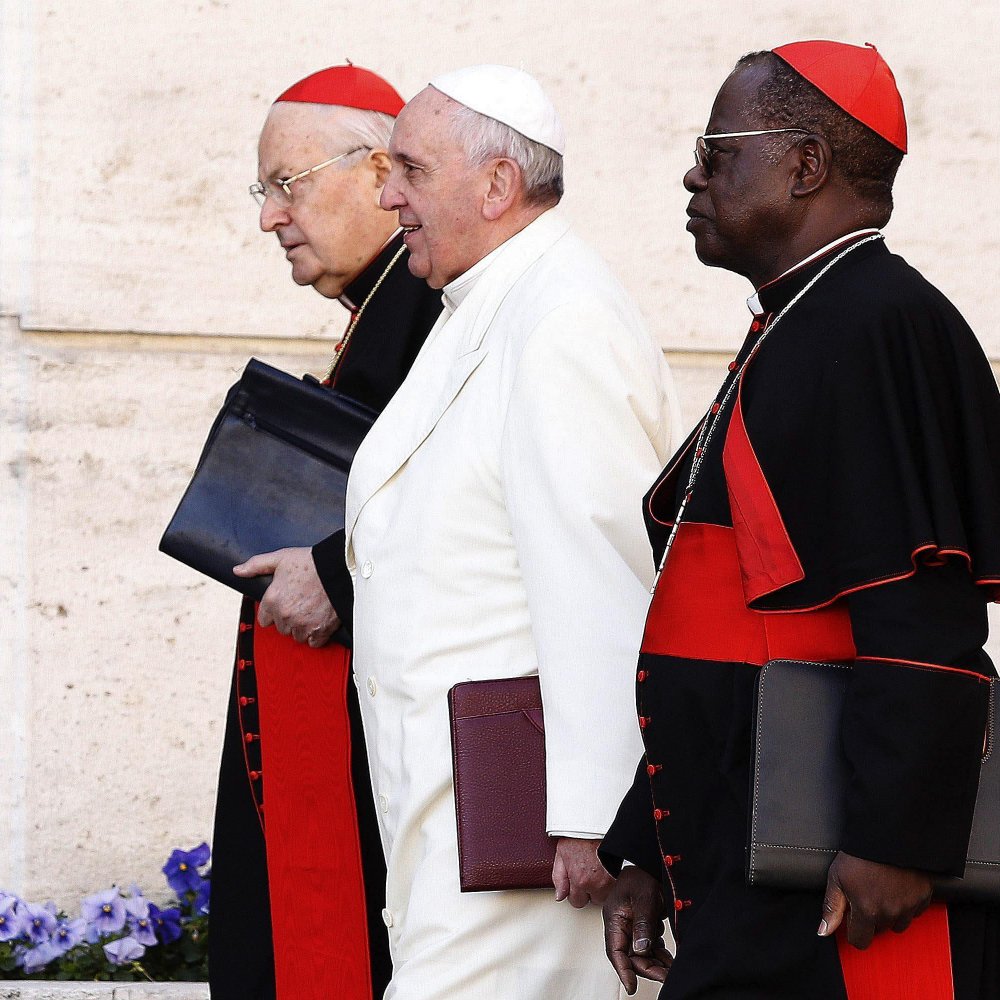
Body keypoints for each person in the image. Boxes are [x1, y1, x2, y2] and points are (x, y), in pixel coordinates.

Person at [600, 40, 1000, 1000]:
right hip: (753, 844)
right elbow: (720, 612)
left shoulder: (876, 323)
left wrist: (893, 841)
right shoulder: (803, 317)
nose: (693, 175)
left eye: (717, 150)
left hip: (837, 871)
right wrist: (645, 841)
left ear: (806, 165)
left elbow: (921, 611)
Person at [343, 65, 680, 999]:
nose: (387, 195)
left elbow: (599, 578)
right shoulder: (488, 302)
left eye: (408, 167)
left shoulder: (560, 316)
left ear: (497, 186)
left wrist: (593, 816)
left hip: (523, 829)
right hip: (456, 814)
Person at [209, 64, 442, 1000]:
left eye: (285, 185)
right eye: (263, 191)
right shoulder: (382, 314)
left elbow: (448, 520)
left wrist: (334, 580)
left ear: (380, 166)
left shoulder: (433, 312)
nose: (270, 218)